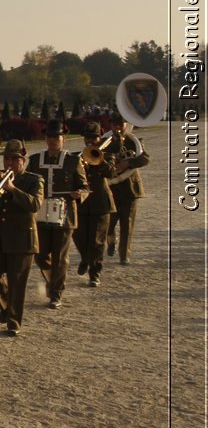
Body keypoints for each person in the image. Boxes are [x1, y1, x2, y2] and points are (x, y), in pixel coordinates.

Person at [0, 139, 44, 336]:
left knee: (17, 282)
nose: (9, 163)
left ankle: (13, 321)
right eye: (7, 159)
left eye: (14, 160)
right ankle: (6, 305)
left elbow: (35, 204)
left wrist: (12, 189)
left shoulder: (34, 180)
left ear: (23, 161)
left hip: (22, 240)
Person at [28, 122, 87, 308]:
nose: (53, 140)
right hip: (41, 213)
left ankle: (56, 293)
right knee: (40, 255)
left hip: (65, 215)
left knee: (60, 257)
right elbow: (27, 182)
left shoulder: (73, 161)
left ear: (64, 139)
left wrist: (80, 194)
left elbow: (84, 186)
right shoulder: (36, 160)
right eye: (50, 137)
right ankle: (52, 281)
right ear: (45, 139)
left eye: (57, 137)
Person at [74, 123, 117, 288]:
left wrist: (98, 160)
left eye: (93, 137)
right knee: (79, 236)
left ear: (99, 138)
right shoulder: (76, 156)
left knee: (97, 241)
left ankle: (95, 274)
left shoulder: (107, 155)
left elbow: (111, 173)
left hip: (101, 203)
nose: (90, 140)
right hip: (82, 203)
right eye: (87, 137)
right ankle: (85, 258)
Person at [104, 125, 150, 265]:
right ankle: (111, 240)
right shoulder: (105, 141)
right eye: (115, 124)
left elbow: (145, 159)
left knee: (127, 224)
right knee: (108, 224)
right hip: (111, 188)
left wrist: (128, 163)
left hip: (130, 188)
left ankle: (124, 255)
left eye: (121, 123)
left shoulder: (134, 141)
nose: (118, 127)